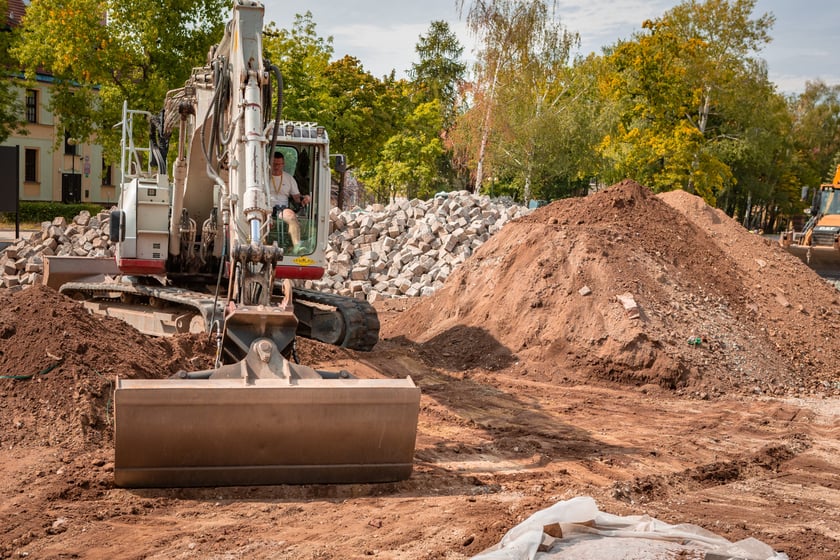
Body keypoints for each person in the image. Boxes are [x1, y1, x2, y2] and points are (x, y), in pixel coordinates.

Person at [269, 150, 310, 253]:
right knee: (264, 220)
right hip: (266, 207)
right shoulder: (263, 176)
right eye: (274, 164)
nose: (276, 167)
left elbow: (296, 197)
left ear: (283, 164)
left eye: (279, 164)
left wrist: (305, 198)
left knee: (292, 217)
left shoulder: (289, 178)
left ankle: (297, 246)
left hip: (282, 208)